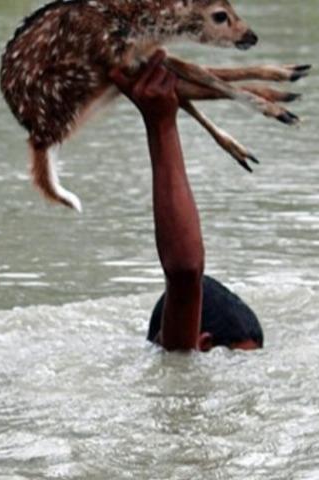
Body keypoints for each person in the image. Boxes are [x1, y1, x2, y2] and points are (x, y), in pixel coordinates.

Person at [109, 51, 263, 352]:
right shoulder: (182, 357)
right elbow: (184, 273)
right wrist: (161, 124)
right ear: (203, 344)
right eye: (238, 361)